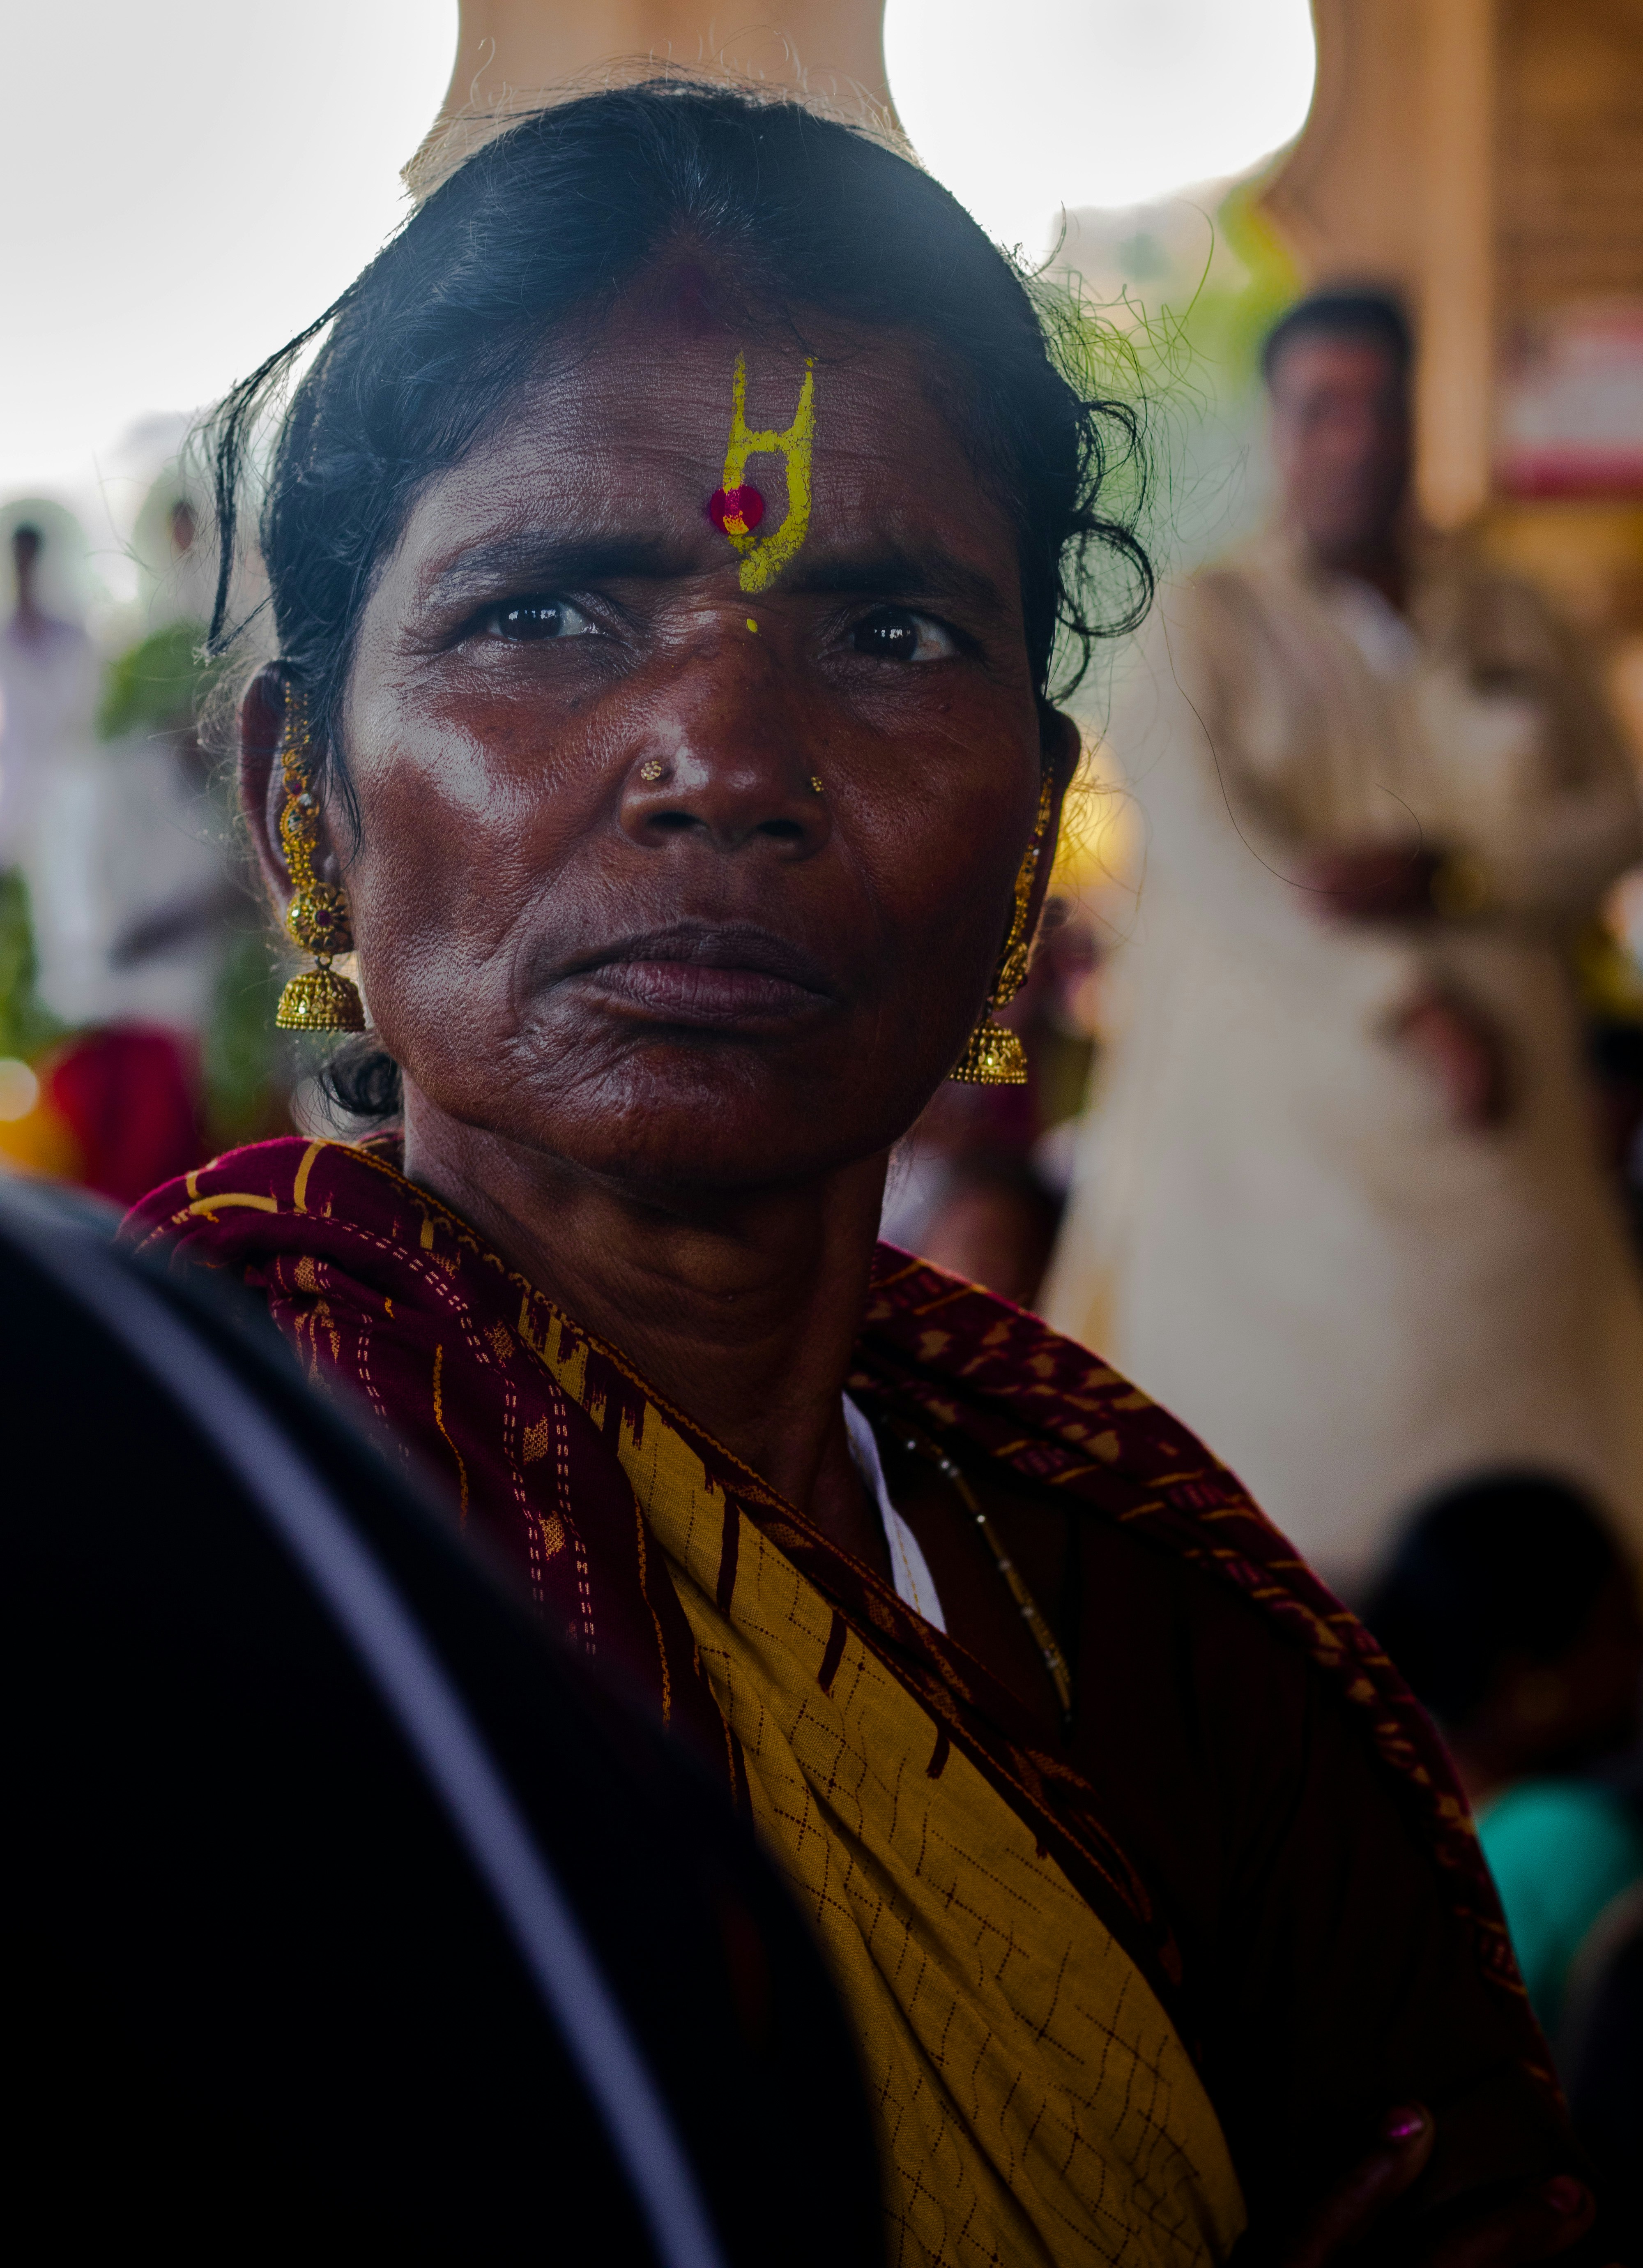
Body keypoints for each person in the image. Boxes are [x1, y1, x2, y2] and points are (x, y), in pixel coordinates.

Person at [124, 94, 1602, 2266]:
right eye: (546, 613)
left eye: (893, 633)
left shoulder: (1170, 1617)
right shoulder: (141, 1556)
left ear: (1029, 843)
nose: (724, 757)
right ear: (301, 804)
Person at [1042, 289, 1643, 1592]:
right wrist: (1406, 1004)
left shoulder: (1512, 613)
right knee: (1287, 1549)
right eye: (1324, 409)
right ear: (1280, 426)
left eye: (1381, 406)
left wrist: (1465, 875)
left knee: (1543, 1549)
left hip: (1508, 1162)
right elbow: (1228, 864)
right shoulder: (1206, 626)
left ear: (1421, 418)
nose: (1355, 439)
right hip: (1269, 1183)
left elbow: (1615, 818)